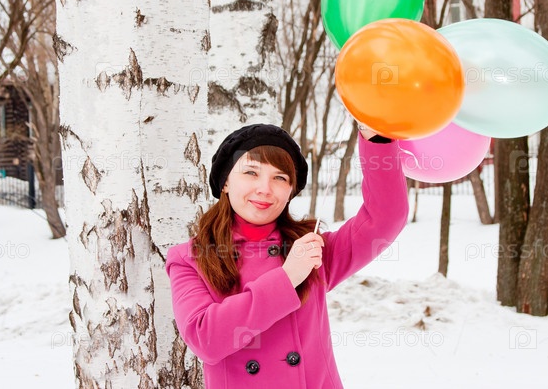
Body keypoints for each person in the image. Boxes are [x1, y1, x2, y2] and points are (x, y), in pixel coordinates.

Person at [166, 122, 409, 388]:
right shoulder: (189, 259)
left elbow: (385, 218)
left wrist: (376, 138)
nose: (265, 189)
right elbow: (205, 340)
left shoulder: (311, 248)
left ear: (291, 190)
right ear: (225, 182)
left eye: (280, 178)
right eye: (251, 172)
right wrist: (287, 278)